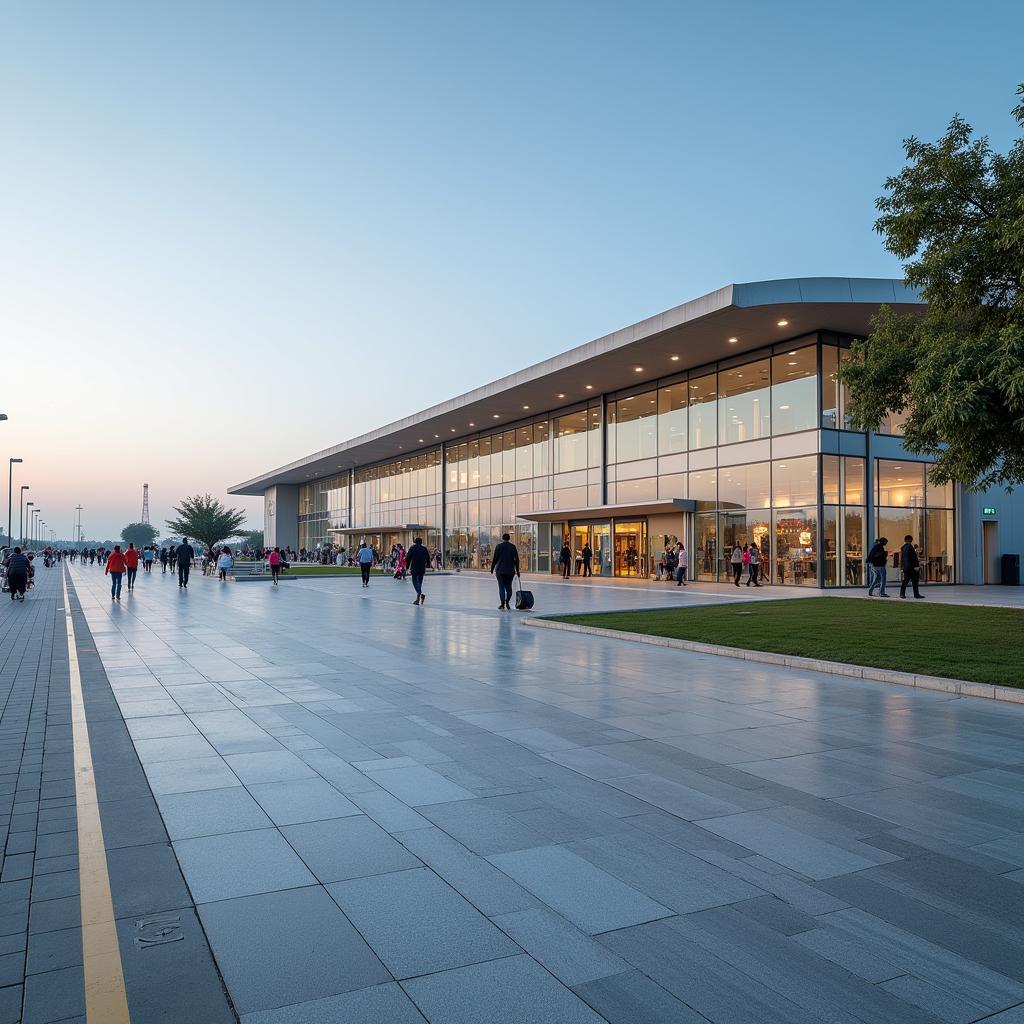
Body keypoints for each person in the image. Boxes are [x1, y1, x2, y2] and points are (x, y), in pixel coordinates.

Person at [490, 532, 520, 610]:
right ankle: (507, 602)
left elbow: (495, 558)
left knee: (501, 587)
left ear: (502, 538)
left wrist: (492, 568)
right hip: (510, 571)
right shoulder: (513, 547)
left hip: (500, 570)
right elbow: (517, 559)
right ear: (509, 539)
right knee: (509, 588)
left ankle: (502, 604)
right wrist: (517, 570)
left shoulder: (499, 546)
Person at [899, 534, 924, 599]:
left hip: (906, 567)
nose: (911, 541)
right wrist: (917, 566)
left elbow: (902, 558)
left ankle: (902, 594)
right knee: (915, 581)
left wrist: (902, 566)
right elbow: (914, 558)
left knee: (905, 581)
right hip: (912, 567)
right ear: (909, 540)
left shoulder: (902, 547)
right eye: (911, 540)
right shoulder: (910, 547)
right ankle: (916, 594)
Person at [407, 536, 430, 605]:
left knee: (414, 582)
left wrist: (407, 566)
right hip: (422, 568)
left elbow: (408, 558)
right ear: (421, 542)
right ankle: (418, 598)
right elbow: (427, 557)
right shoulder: (424, 549)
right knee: (419, 582)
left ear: (415, 542)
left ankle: (419, 594)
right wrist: (428, 565)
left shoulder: (412, 548)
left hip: (414, 567)